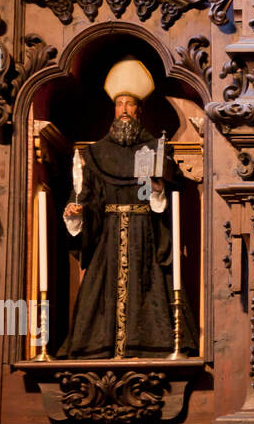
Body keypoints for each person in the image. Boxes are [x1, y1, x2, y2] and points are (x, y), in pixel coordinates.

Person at [61, 58, 197, 358]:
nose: (123, 109)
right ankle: (99, 348)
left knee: (150, 288)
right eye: (119, 103)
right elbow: (86, 196)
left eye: (130, 104)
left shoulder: (152, 150)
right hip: (107, 237)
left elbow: (161, 201)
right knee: (100, 296)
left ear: (140, 110)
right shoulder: (94, 154)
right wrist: (77, 212)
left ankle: (152, 346)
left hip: (145, 237)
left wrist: (159, 190)